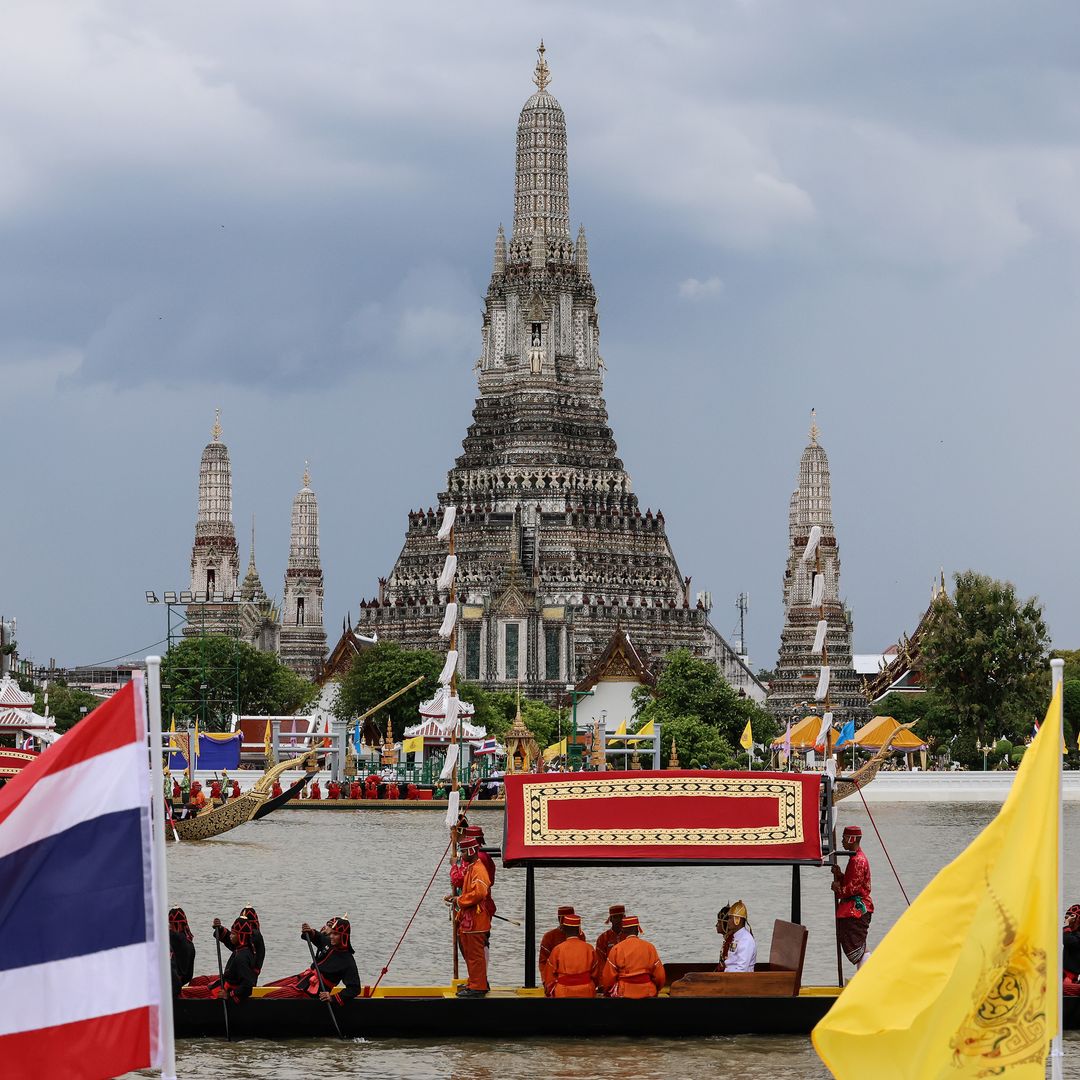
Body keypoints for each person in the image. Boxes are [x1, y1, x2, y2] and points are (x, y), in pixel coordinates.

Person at [265, 917, 361, 1003]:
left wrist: (333, 998)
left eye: (335, 934)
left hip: (311, 993)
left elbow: (354, 988)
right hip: (302, 980)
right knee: (266, 989)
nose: (331, 936)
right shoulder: (330, 942)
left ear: (343, 936)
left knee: (267, 997)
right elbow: (318, 937)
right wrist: (310, 932)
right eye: (331, 933)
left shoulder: (348, 961)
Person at [445, 836, 492, 997]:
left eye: (463, 851)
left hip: (476, 921)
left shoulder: (478, 869)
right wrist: (455, 899)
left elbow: (479, 892)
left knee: (475, 955)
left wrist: (459, 900)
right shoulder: (472, 867)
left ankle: (478, 987)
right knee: (470, 954)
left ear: (471, 851)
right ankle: (475, 982)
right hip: (469, 920)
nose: (461, 854)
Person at [180, 917, 258, 1002]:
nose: (230, 936)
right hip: (222, 984)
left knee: (183, 993)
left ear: (241, 936)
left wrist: (229, 995)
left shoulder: (242, 957)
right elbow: (228, 939)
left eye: (233, 934)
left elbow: (248, 985)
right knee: (194, 984)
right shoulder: (243, 948)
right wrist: (219, 929)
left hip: (221, 992)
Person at [833, 824, 874, 971]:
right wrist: (840, 876)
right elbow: (852, 882)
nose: (843, 841)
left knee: (857, 945)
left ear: (852, 839)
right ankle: (865, 974)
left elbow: (853, 888)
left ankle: (866, 974)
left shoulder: (858, 860)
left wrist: (838, 888)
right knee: (855, 943)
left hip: (857, 908)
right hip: (855, 906)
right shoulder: (855, 858)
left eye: (844, 838)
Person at [599, 915, 665, 998]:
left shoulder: (616, 948)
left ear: (623, 930)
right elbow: (660, 977)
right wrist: (656, 989)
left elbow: (608, 978)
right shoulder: (650, 947)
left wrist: (607, 992)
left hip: (624, 993)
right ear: (638, 929)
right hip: (648, 992)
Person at [544, 913, 597, 998]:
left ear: (564, 929)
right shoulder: (589, 948)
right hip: (586, 990)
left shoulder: (557, 949)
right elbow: (596, 974)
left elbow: (549, 976)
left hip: (563, 992)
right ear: (579, 929)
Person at [213, 906, 266, 978]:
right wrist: (220, 929)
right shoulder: (242, 946)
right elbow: (233, 942)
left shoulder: (253, 937)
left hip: (242, 979)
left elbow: (233, 943)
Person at [539, 906, 576, 988]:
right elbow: (543, 962)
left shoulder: (580, 935)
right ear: (559, 919)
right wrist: (546, 982)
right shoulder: (549, 936)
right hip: (556, 980)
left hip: (577, 979)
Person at [716, 901, 757, 972]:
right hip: (727, 977)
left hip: (738, 981)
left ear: (738, 920)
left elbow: (742, 969)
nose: (728, 921)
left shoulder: (746, 940)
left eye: (730, 918)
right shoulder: (736, 937)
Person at [593, 904, 626, 985]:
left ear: (624, 918)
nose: (618, 920)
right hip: (610, 976)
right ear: (610, 919)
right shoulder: (603, 938)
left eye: (620, 917)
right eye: (615, 917)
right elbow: (601, 963)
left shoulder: (629, 936)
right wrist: (602, 982)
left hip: (627, 976)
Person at [169, 907, 195, 997]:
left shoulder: (175, 938)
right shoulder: (189, 940)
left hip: (174, 983)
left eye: (171, 924)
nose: (170, 927)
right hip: (182, 980)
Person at [1065, 904, 1080, 998]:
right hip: (1065, 978)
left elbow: (1068, 941)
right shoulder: (1070, 934)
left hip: (1072, 980)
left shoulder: (1075, 936)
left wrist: (1066, 925)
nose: (1068, 920)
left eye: (1071, 917)